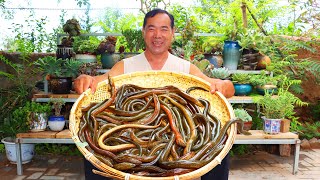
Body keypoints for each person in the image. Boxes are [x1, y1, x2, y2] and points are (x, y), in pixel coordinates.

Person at [75, 8, 234, 180]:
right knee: (92, 152)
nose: (157, 35)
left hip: (172, 150)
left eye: (164, 29)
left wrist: (225, 85)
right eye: (151, 28)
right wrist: (83, 79)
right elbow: (96, 82)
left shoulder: (185, 69)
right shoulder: (125, 66)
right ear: (144, 32)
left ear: (173, 33)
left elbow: (223, 87)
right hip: (133, 144)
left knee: (220, 148)